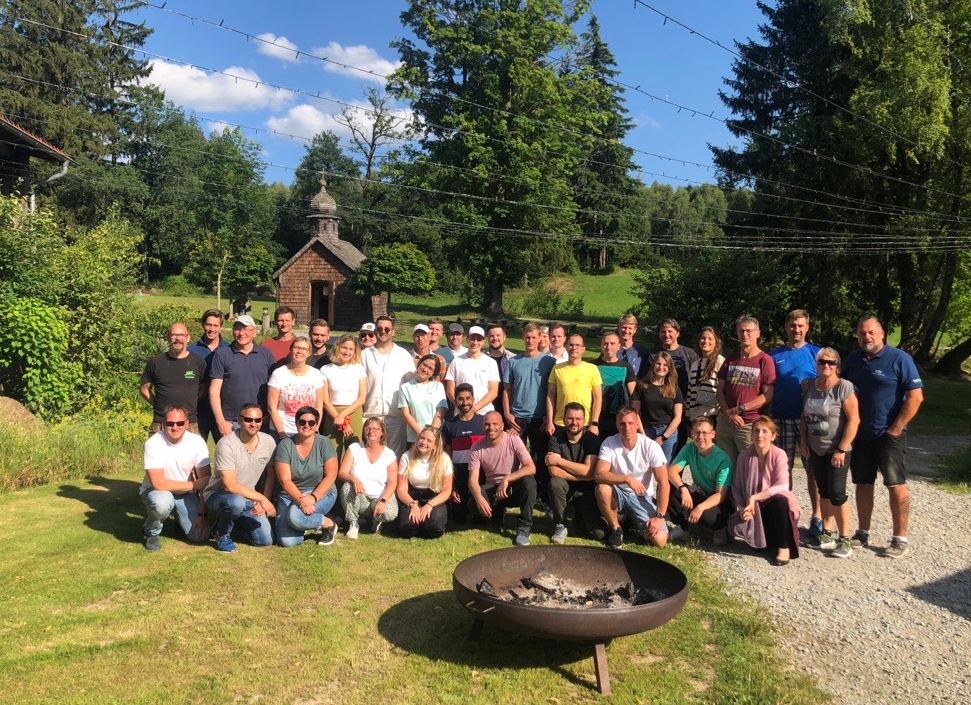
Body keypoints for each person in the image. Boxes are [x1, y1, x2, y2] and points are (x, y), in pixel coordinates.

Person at [842, 315, 923, 558]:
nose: (866, 337)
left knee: (895, 484)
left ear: (882, 333)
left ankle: (900, 538)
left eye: (871, 332)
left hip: (889, 435)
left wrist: (896, 429)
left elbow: (915, 397)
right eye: (862, 333)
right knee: (863, 483)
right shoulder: (853, 361)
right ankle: (863, 531)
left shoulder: (900, 359)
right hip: (860, 434)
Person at [800, 347, 860, 558]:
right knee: (823, 491)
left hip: (837, 450)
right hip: (816, 448)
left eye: (831, 363)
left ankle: (844, 538)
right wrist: (804, 441)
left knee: (837, 493)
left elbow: (854, 420)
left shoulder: (844, 387)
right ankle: (827, 532)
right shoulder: (810, 386)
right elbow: (804, 417)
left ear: (837, 366)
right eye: (822, 362)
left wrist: (841, 449)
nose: (826, 366)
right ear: (816, 364)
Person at [770, 309, 823, 536]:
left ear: (807, 327)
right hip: (781, 417)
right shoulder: (775, 355)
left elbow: (829, 382)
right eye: (793, 326)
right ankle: (785, 513)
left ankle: (817, 516)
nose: (796, 330)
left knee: (813, 470)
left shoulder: (817, 354)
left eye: (801, 326)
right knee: (784, 469)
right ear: (786, 327)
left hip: (810, 420)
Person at [203, 403, 277, 552]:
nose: (253, 424)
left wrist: (264, 500)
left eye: (258, 420)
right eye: (248, 419)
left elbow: (271, 473)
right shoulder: (226, 444)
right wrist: (262, 498)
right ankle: (222, 533)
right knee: (235, 501)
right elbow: (230, 485)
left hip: (249, 498)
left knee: (265, 540)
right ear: (239, 420)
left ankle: (231, 524)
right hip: (219, 495)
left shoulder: (269, 441)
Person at [594, 406, 670, 549]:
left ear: (637, 424)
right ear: (617, 425)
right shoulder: (609, 443)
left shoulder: (651, 446)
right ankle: (616, 529)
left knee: (659, 540)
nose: (626, 428)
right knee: (602, 488)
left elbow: (664, 483)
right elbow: (599, 474)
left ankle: (629, 519)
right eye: (622, 424)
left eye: (630, 423)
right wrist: (627, 479)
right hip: (618, 492)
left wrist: (659, 517)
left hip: (642, 496)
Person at [730, 416, 800, 566]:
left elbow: (782, 485)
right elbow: (737, 487)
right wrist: (743, 507)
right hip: (755, 511)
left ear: (773, 436)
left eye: (764, 431)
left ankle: (784, 547)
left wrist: (754, 497)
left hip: (773, 508)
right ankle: (763, 539)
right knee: (760, 549)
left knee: (780, 500)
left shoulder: (779, 454)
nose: (760, 435)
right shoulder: (744, 456)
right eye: (756, 431)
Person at [139, 405, 211, 551]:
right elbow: (159, 484)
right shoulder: (153, 444)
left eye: (179, 423)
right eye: (170, 423)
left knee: (200, 537)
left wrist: (201, 514)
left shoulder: (197, 442)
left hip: (184, 494)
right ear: (163, 424)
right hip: (156, 492)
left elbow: (205, 482)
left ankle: (180, 521)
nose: (175, 427)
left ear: (186, 423)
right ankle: (151, 531)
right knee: (163, 502)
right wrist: (192, 485)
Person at [502, 322, 557, 495]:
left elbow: (553, 391)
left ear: (540, 338)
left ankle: (540, 492)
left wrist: (549, 417)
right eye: (527, 337)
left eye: (534, 337)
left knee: (539, 456)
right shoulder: (513, 362)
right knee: (512, 456)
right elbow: (506, 390)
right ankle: (512, 490)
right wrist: (507, 413)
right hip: (517, 417)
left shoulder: (549, 361)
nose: (530, 341)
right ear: (522, 338)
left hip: (539, 417)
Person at [468, 411, 538, 546]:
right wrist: (478, 497)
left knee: (529, 483)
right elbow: (472, 479)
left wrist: (507, 478)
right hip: (494, 489)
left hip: (512, 487)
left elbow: (531, 468)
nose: (491, 427)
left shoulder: (514, 440)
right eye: (487, 424)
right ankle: (497, 515)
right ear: (483, 427)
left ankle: (524, 527)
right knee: (473, 503)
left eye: (495, 424)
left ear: (502, 426)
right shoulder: (476, 448)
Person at [273, 406, 339, 547]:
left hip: (321, 492)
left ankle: (329, 524)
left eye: (311, 423)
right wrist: (302, 500)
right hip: (290, 494)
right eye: (302, 422)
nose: (306, 425)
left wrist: (313, 497)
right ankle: (312, 522)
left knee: (295, 517)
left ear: (316, 425)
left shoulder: (324, 443)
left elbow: (331, 475)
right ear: (296, 423)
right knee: (288, 541)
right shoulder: (285, 445)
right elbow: (285, 481)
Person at [715, 315, 776, 465]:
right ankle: (728, 490)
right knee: (725, 465)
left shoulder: (765, 360)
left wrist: (740, 409)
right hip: (726, 422)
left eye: (749, 331)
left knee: (750, 465)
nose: (745, 335)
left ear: (758, 333)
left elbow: (767, 395)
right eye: (741, 331)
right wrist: (728, 412)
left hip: (749, 424)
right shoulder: (731, 359)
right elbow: (719, 390)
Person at [208, 315, 276, 440]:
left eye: (246, 329)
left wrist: (269, 417)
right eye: (238, 329)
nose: (241, 333)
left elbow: (275, 390)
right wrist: (221, 421)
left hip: (260, 421)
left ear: (254, 333)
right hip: (231, 422)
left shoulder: (266, 354)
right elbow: (214, 391)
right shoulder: (221, 354)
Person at [667, 417, 733, 542]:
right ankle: (685, 527)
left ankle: (721, 528)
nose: (700, 436)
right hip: (699, 493)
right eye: (697, 433)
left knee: (710, 517)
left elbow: (720, 495)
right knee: (666, 486)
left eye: (705, 433)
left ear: (713, 434)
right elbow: (671, 471)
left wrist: (700, 508)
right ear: (691, 434)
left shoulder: (723, 460)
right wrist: (683, 489)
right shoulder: (689, 448)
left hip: (716, 501)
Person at [546, 402, 604, 543]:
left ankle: (579, 517)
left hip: (586, 491)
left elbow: (588, 470)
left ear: (584, 420)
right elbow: (553, 471)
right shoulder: (556, 438)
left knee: (599, 534)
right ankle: (560, 524)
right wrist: (583, 476)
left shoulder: (592, 439)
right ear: (564, 419)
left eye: (578, 419)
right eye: (570, 418)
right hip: (565, 486)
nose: (574, 422)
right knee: (555, 483)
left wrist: (559, 461)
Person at [362, 315, 415, 457]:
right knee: (370, 453)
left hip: (396, 415)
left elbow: (410, 386)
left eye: (387, 329)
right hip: (371, 412)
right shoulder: (365, 355)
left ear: (393, 331)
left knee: (394, 456)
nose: (383, 331)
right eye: (379, 329)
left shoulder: (403, 355)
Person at [337, 417, 399, 538]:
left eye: (375, 428)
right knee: (346, 487)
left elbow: (392, 483)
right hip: (361, 498)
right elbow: (342, 473)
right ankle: (353, 523)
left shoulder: (389, 453)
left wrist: (383, 501)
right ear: (364, 431)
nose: (371, 431)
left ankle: (375, 520)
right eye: (368, 428)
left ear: (382, 432)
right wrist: (353, 479)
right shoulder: (354, 448)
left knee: (390, 513)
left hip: (379, 498)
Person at [140, 322, 206, 434]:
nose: (178, 339)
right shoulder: (156, 362)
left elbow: (204, 388)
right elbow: (144, 389)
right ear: (168, 337)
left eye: (181, 335)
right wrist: (157, 404)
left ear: (188, 338)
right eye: (174, 335)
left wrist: (193, 401)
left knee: (192, 452)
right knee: (156, 452)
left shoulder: (198, 362)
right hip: (161, 422)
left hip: (189, 423)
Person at [395, 426, 454, 538]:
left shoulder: (444, 458)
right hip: (412, 497)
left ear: (435, 445)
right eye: (422, 438)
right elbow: (401, 489)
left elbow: (447, 490)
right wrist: (413, 505)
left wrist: (430, 505)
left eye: (429, 440)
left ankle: (427, 522)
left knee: (433, 528)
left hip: (434, 497)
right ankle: (417, 523)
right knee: (407, 528)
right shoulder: (406, 456)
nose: (424, 442)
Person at [442, 383, 486, 524]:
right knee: (459, 519)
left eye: (468, 398)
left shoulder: (483, 422)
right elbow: (447, 454)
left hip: (481, 473)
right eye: (460, 399)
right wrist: (451, 483)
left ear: (473, 399)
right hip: (459, 473)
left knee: (481, 519)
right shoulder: (449, 424)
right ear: (455, 400)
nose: (465, 402)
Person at [266, 336, 325, 439]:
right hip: (282, 430)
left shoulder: (316, 375)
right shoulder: (278, 374)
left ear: (309, 353)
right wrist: (281, 433)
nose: (299, 351)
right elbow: (272, 408)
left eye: (303, 349)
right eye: (296, 348)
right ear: (291, 350)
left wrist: (314, 429)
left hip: (308, 430)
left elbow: (319, 406)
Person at [546, 333, 603, 436]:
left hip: (584, 424)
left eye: (578, 345)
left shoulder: (592, 369)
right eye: (571, 345)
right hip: (560, 423)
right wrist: (549, 421)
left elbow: (598, 398)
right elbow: (550, 396)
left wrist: (594, 423)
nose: (574, 348)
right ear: (566, 347)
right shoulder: (557, 368)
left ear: (583, 349)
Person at [633, 351, 684, 463]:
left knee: (663, 467)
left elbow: (678, 417)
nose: (661, 367)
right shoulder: (641, 386)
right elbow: (635, 413)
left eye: (665, 365)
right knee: (645, 465)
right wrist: (643, 435)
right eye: (658, 364)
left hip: (668, 433)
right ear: (653, 365)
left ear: (670, 368)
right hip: (646, 430)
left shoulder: (674, 388)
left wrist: (663, 437)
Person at [188, 308, 229, 442]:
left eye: (216, 325)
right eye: (208, 325)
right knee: (195, 454)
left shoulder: (229, 349)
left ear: (221, 327)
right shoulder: (191, 350)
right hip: (198, 411)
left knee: (226, 452)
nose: (212, 329)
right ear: (203, 325)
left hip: (223, 411)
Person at [444, 325, 500, 415]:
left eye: (479, 339)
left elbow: (493, 392)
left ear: (483, 342)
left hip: (484, 413)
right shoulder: (456, 361)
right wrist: (462, 407)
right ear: (467, 339)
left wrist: (474, 408)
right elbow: (450, 390)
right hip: (461, 413)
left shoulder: (491, 363)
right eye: (472, 339)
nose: (475, 342)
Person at [594, 331, 636, 438]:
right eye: (605, 344)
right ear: (601, 346)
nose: (608, 347)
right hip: (596, 418)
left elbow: (634, 395)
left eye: (612, 343)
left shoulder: (626, 367)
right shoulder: (592, 366)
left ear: (619, 346)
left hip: (619, 419)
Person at [399, 353, 448, 446]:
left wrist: (431, 435)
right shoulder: (405, 387)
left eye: (430, 368)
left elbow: (440, 412)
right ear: (419, 364)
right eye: (424, 365)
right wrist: (422, 435)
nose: (425, 369)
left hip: (434, 438)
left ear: (434, 372)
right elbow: (406, 414)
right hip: (414, 438)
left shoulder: (438, 386)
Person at [686, 326, 724, 426]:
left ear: (716, 342)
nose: (706, 341)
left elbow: (724, 390)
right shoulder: (695, 364)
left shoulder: (720, 361)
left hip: (713, 415)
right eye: (703, 338)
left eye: (710, 339)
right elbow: (690, 390)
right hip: (696, 415)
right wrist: (688, 414)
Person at [486, 322, 516, 409]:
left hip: (509, 407)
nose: (495, 338)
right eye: (491, 336)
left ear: (504, 337)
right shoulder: (481, 358)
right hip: (487, 406)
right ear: (487, 338)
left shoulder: (513, 359)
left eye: (498, 335)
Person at [617, 313, 650, 378]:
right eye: (624, 327)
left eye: (630, 328)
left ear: (635, 330)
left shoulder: (642, 352)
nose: (626, 331)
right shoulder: (611, 349)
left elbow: (646, 375)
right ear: (618, 328)